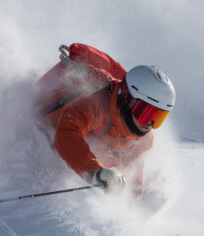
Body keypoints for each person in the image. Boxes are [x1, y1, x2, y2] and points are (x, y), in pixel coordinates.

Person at [33, 43, 175, 194]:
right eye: (145, 113)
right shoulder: (96, 103)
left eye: (158, 117)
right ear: (128, 99)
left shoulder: (143, 140)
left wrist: (133, 200)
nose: (149, 123)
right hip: (47, 124)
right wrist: (95, 172)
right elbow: (67, 133)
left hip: (92, 143)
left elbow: (133, 177)